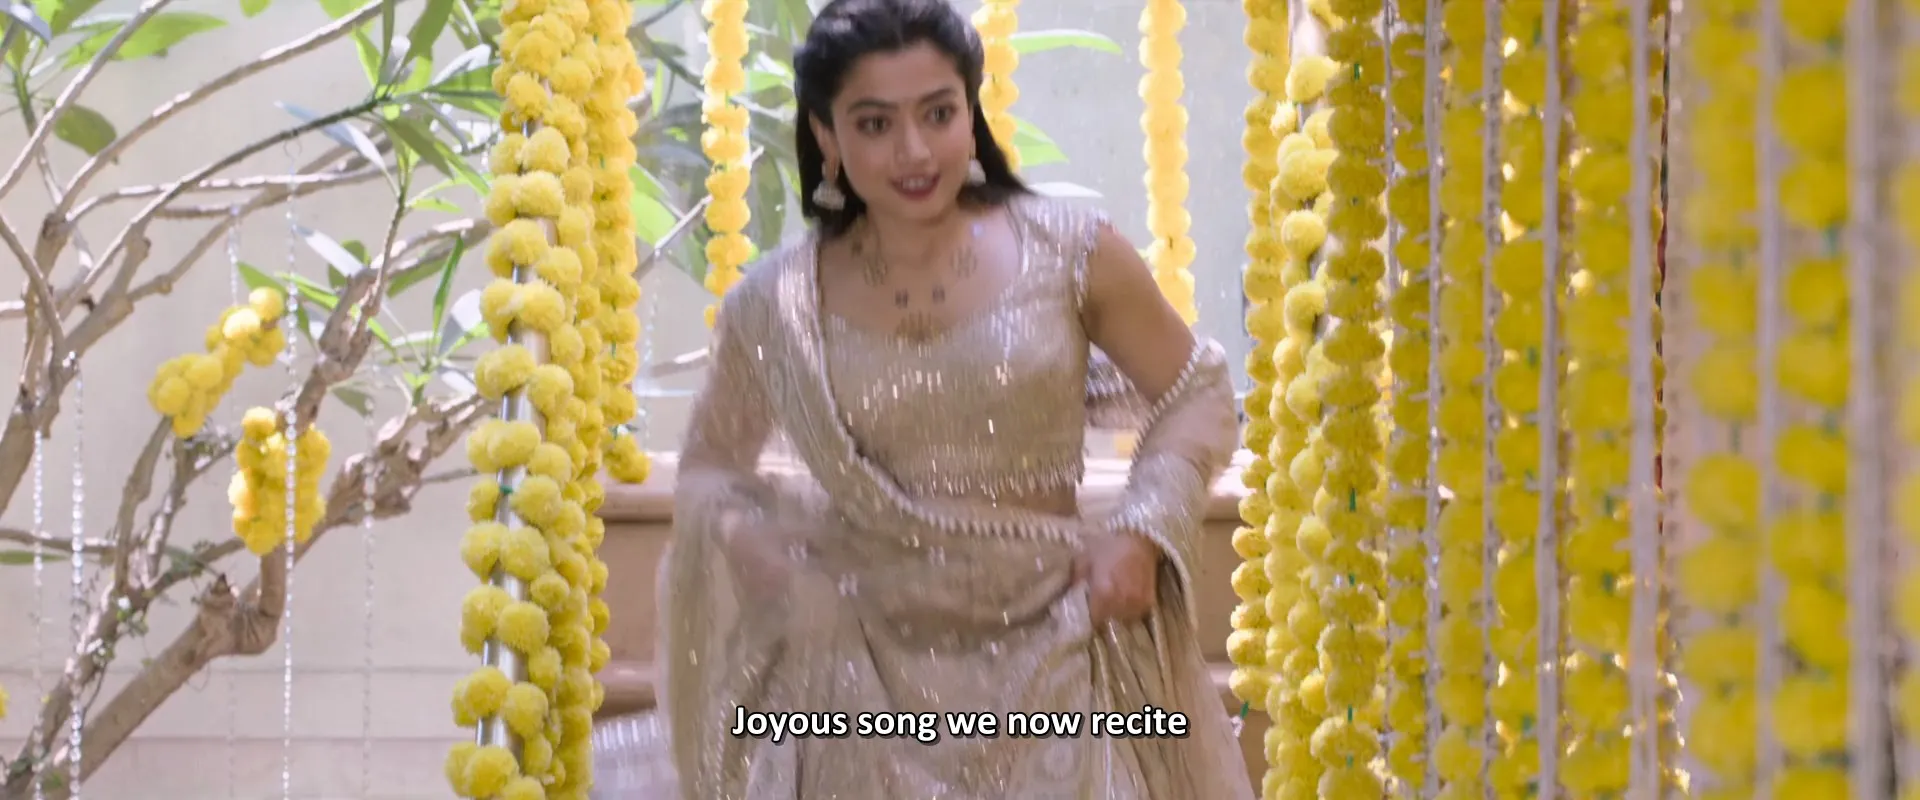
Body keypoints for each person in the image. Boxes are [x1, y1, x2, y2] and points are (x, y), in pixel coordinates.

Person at [638, 0, 1253, 796]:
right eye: (875, 124)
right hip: (855, 684)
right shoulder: (776, 305)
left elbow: (1197, 389)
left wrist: (1139, 533)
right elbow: (710, 471)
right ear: (827, 136)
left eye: (938, 113)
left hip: (1060, 658)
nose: (915, 150)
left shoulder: (1071, 251)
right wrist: (754, 541)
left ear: (972, 110)